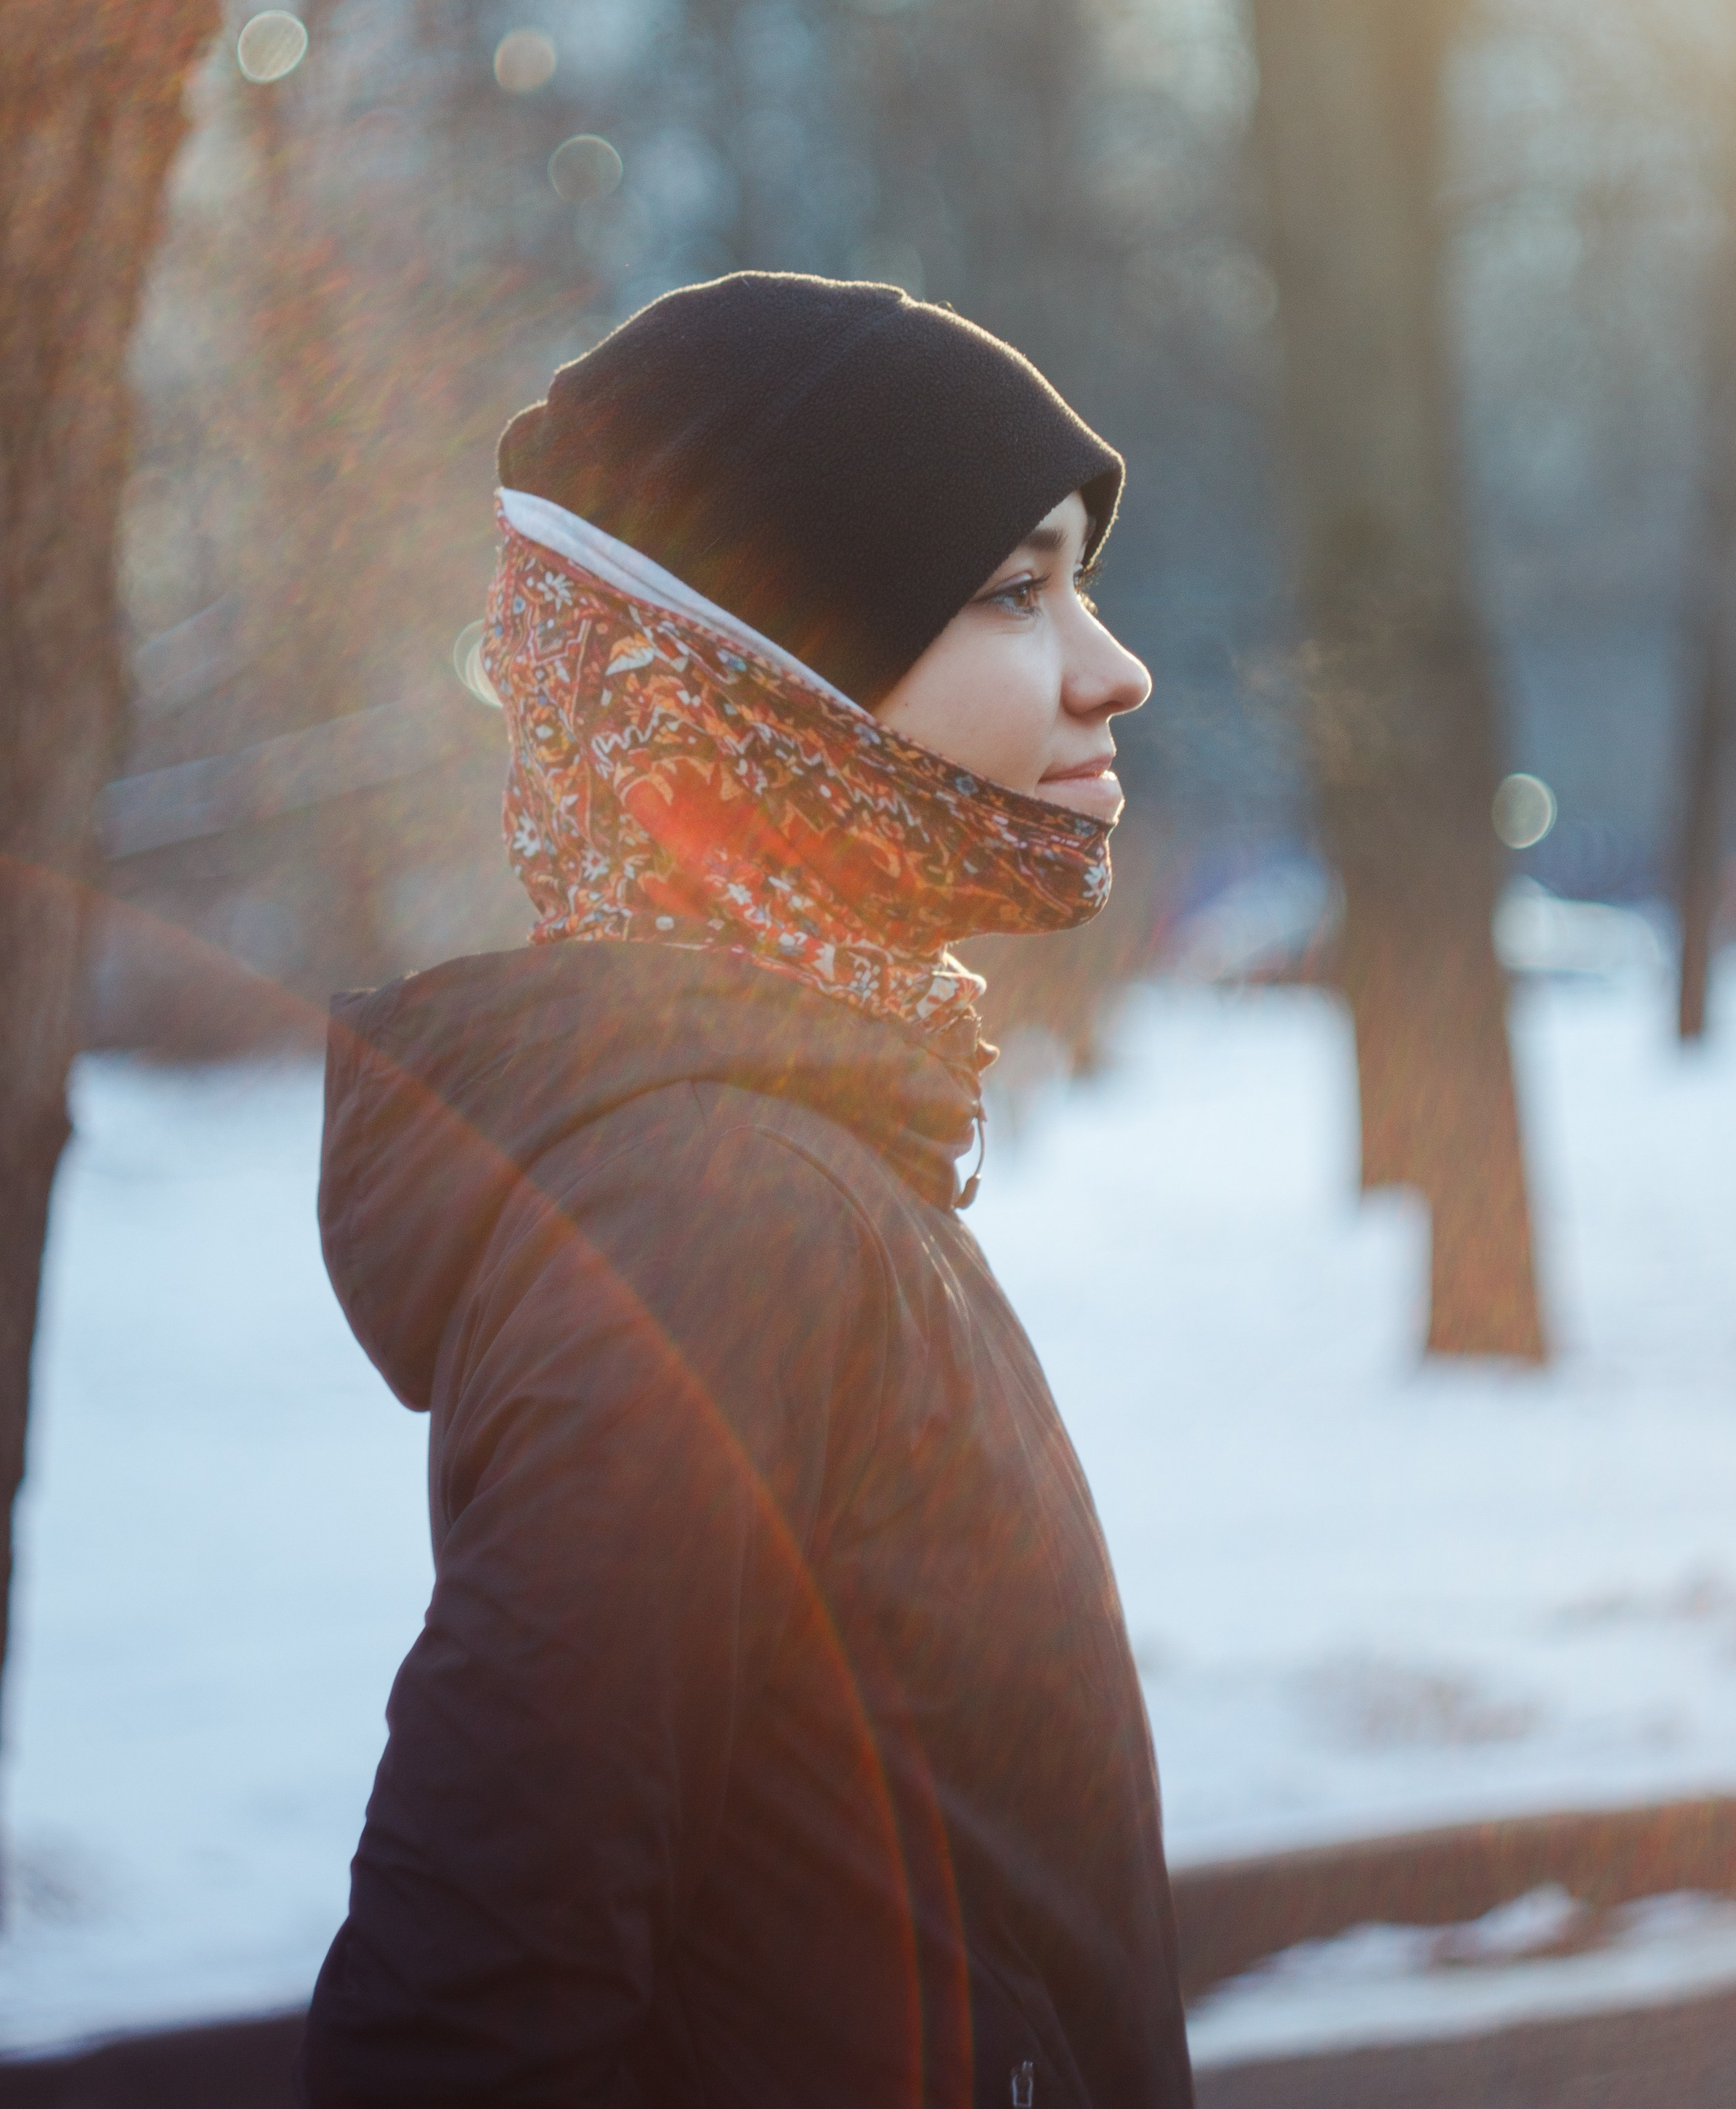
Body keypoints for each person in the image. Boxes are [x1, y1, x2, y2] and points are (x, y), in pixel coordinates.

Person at [300, 273, 1191, 2108]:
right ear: (741, 696)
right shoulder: (711, 1209)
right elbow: (469, 1998)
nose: (1113, 668)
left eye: (1076, 583)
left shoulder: (799, 1148)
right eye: (1011, 592)